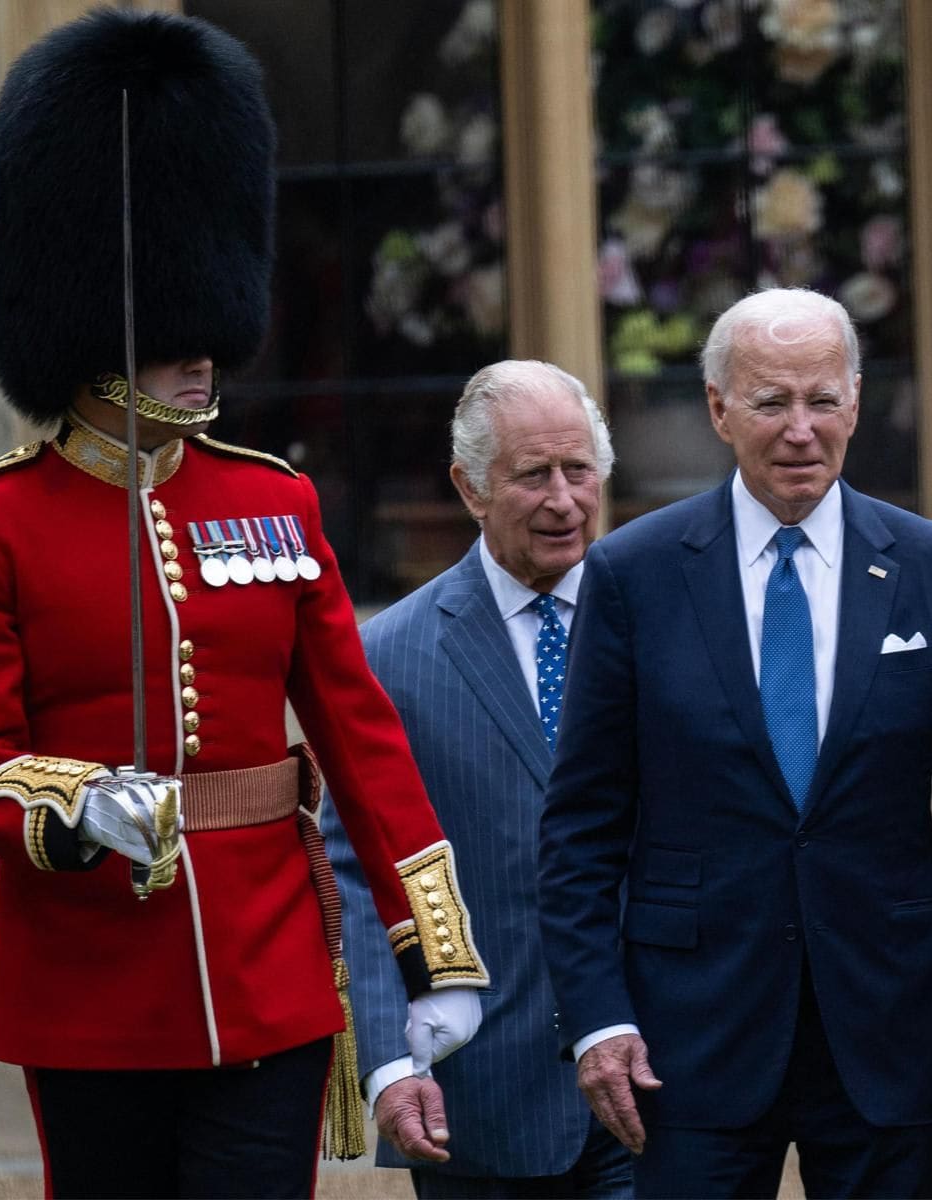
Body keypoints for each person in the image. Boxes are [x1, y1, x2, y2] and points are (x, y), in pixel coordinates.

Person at [0, 11, 488, 1199]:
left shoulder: (273, 501)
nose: (206, 357)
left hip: (268, 971)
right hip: (88, 984)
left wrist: (436, 948)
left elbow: (360, 738)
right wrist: (72, 804)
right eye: (177, 335)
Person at [536, 287, 932, 1200]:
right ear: (720, 410)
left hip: (888, 1029)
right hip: (688, 1038)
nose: (801, 430)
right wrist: (599, 1019)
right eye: (771, 402)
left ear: (855, 401)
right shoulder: (632, 574)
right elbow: (581, 829)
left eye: (822, 399)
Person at [322, 360, 632, 1198]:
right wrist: (387, 1062)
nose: (564, 501)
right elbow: (353, 872)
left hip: (658, 1083)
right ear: (469, 488)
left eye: (580, 472)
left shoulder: (662, 619)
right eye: (534, 476)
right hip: (485, 1102)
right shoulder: (393, 654)